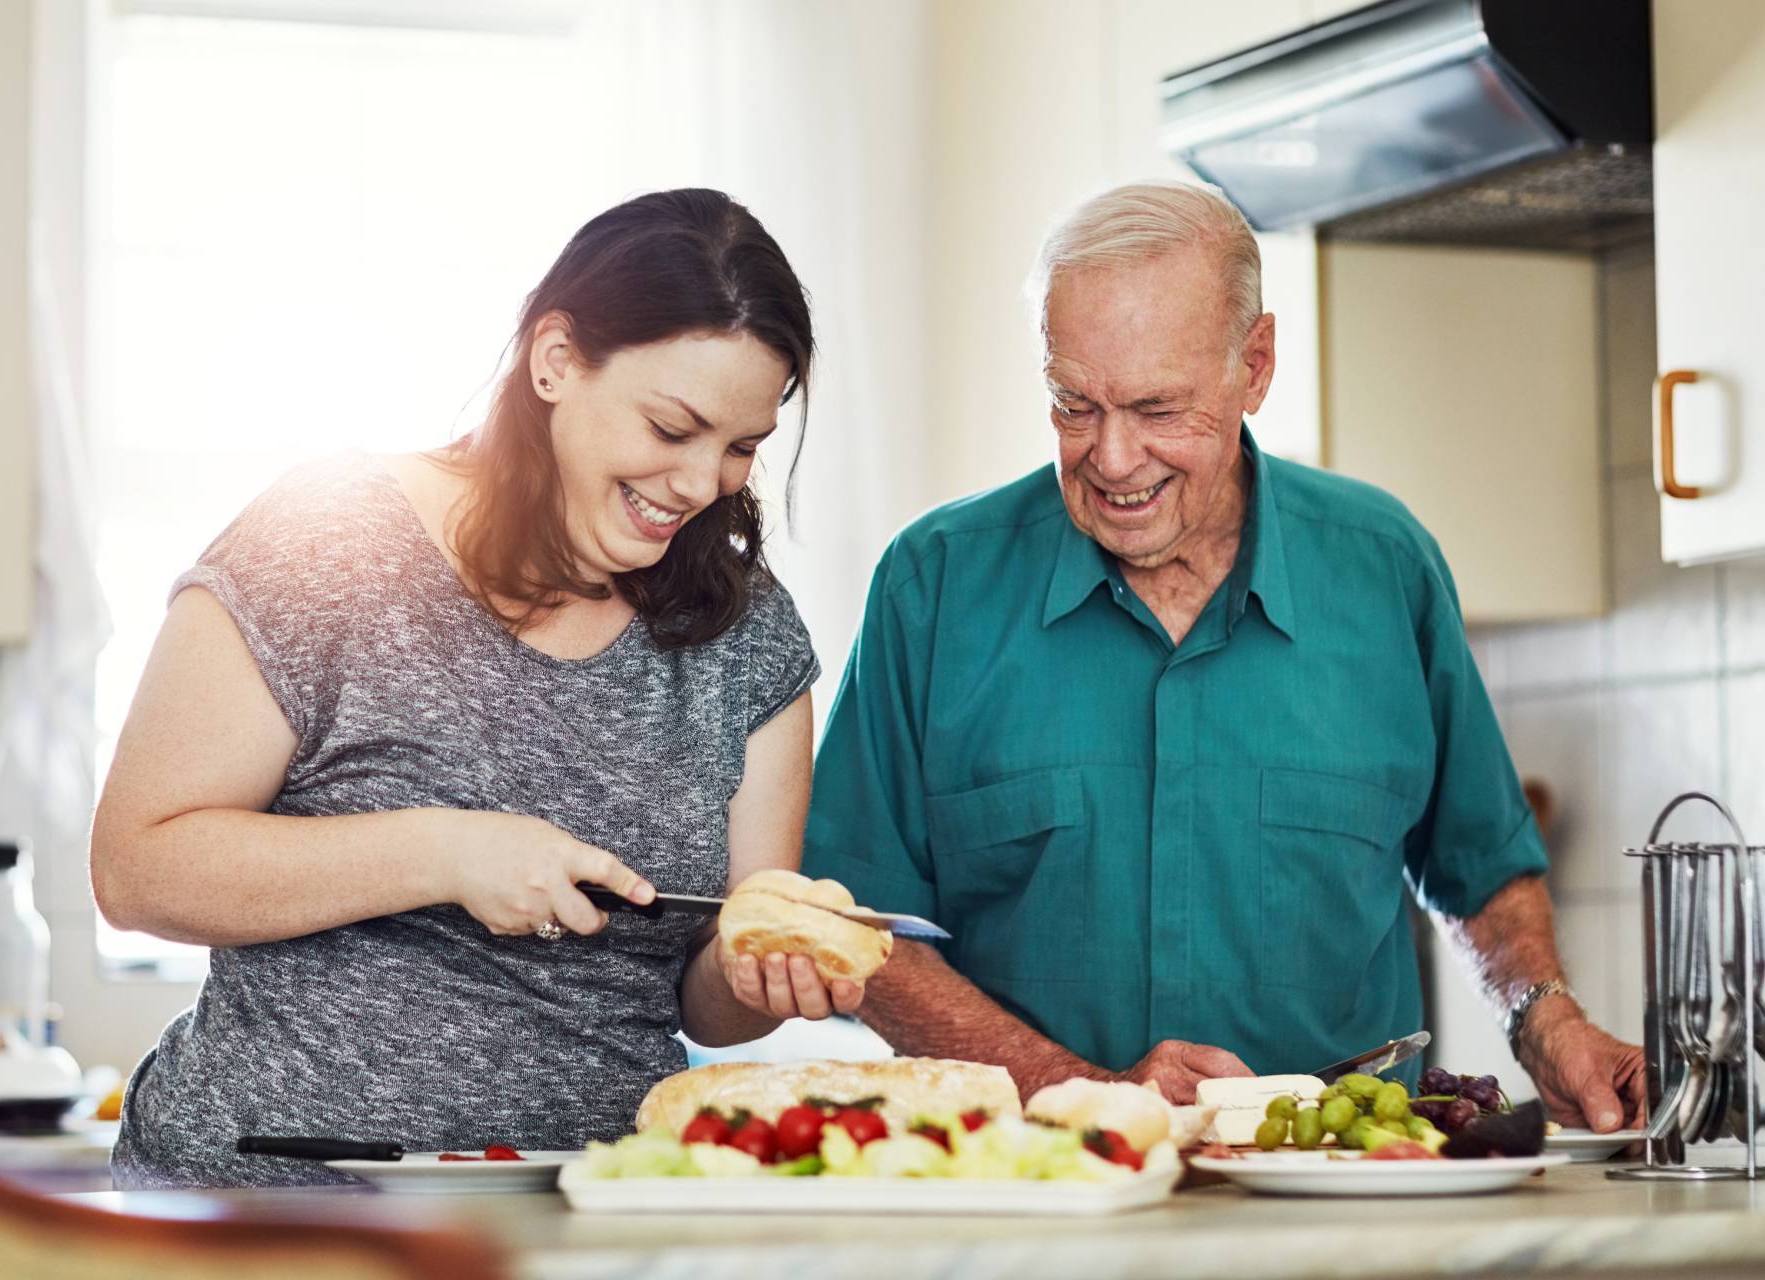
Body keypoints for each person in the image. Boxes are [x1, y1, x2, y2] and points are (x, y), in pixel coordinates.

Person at [801, 180, 1643, 1129]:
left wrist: (1543, 1018)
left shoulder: (1385, 568)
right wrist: (1086, 1097)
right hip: (1032, 1204)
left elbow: (1480, 864)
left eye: (1158, 408)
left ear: (1256, 364)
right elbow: (858, 929)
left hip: (1345, 1213)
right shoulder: (935, 585)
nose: (1114, 459)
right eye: (1074, 404)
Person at [93, 189, 859, 1188]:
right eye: (673, 425)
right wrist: (447, 850)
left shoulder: (746, 632)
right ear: (555, 360)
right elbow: (137, 868)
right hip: (264, 1212)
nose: (700, 481)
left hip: (581, 1226)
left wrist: (761, 969)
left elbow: (708, 996)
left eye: (742, 445)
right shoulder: (329, 538)